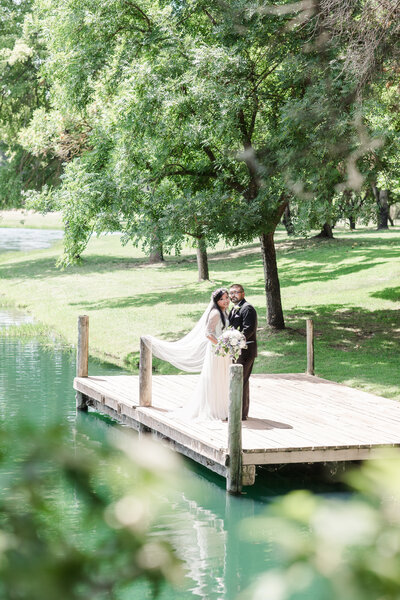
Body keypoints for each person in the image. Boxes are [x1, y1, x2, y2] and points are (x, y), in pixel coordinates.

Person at [142, 288, 231, 421]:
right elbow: (208, 333)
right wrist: (221, 345)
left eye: (227, 298)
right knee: (215, 377)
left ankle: (223, 406)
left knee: (222, 377)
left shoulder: (225, 312)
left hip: (223, 351)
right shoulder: (215, 314)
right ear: (216, 301)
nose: (226, 301)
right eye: (222, 299)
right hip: (216, 350)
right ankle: (214, 408)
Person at [228, 284, 257, 420]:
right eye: (231, 292)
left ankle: (241, 414)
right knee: (238, 380)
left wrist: (236, 342)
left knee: (242, 380)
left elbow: (248, 330)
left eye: (236, 292)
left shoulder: (247, 308)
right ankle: (237, 411)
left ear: (243, 294)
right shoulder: (234, 308)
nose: (233, 295)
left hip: (245, 351)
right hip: (236, 350)